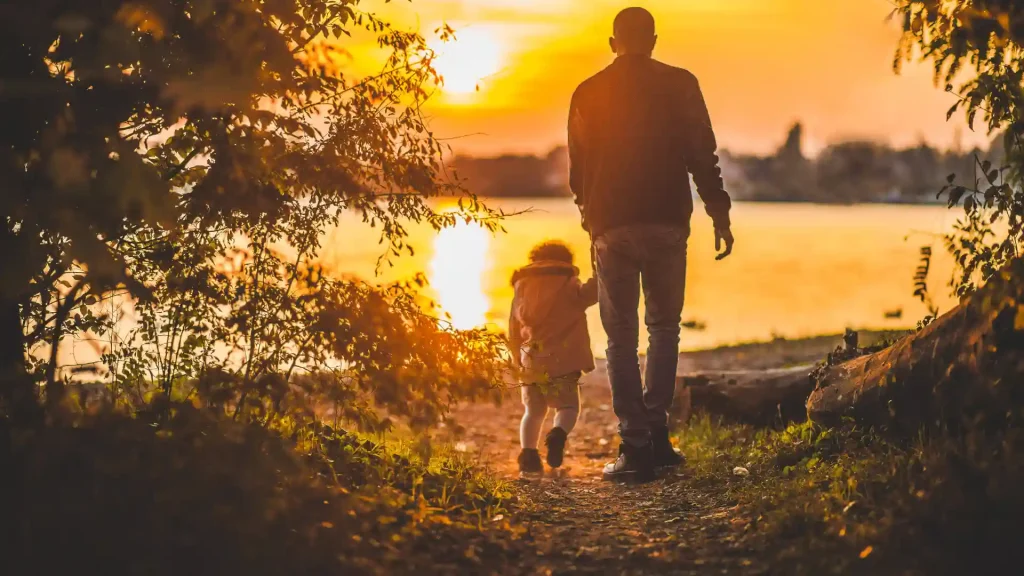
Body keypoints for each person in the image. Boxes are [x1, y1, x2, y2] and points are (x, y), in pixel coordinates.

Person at [568, 7, 735, 483]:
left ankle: (635, 444)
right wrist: (718, 211)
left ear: (612, 41)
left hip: (611, 226)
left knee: (620, 338)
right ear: (654, 40)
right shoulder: (681, 83)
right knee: (665, 328)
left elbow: (578, 165)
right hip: (666, 221)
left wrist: (588, 214)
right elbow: (702, 153)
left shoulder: (587, 91)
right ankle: (658, 436)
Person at [508, 241, 599, 476]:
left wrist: (517, 359)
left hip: (531, 360)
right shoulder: (568, 282)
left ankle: (528, 455)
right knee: (568, 406)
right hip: (564, 360)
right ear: (565, 261)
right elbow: (592, 294)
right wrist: (600, 270)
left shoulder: (522, 286)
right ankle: (558, 434)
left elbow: (513, 328)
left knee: (533, 411)